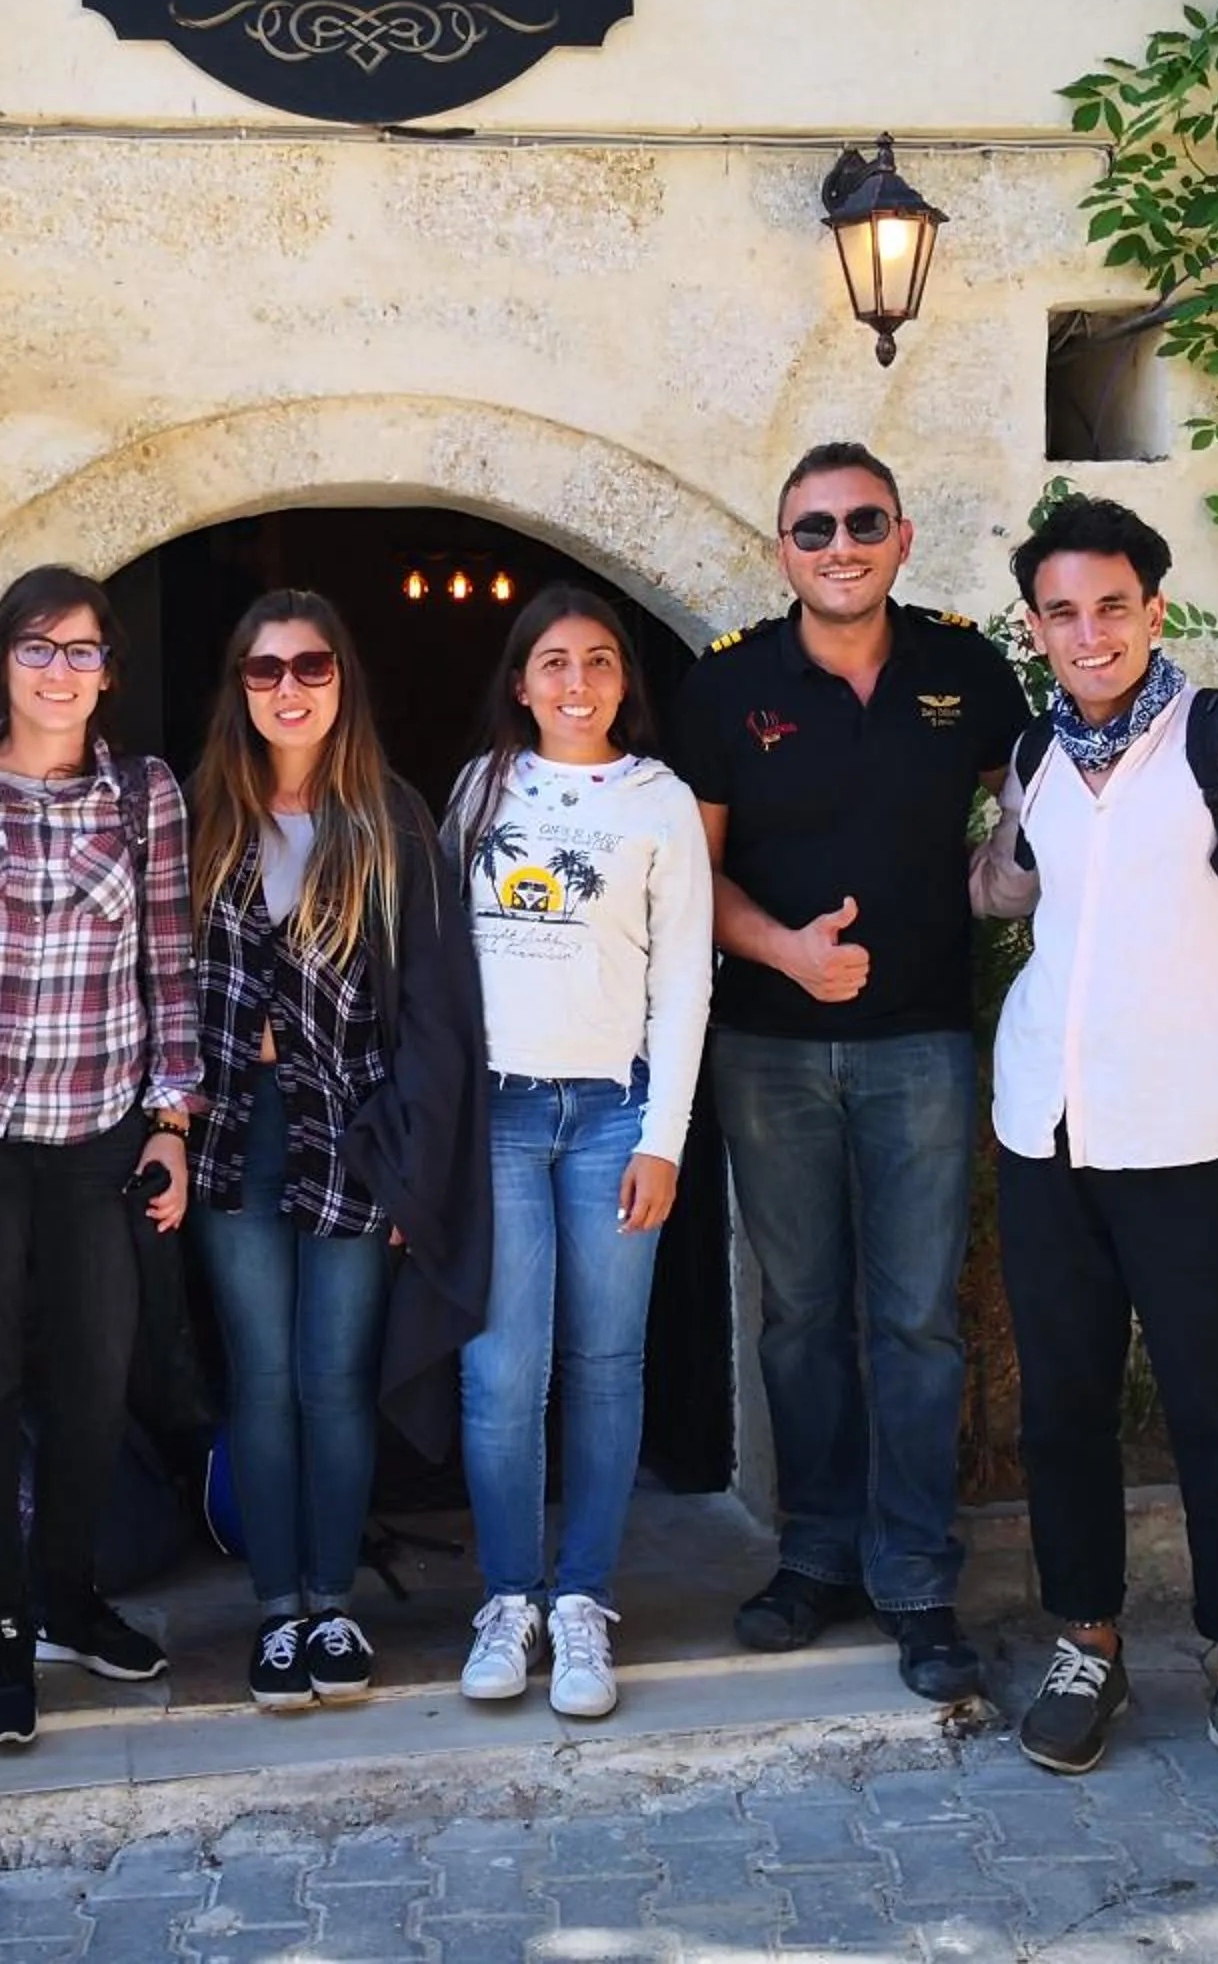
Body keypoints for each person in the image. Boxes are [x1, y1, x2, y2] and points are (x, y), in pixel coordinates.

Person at [972, 494, 1218, 1805]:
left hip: (1199, 1141)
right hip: (1048, 1132)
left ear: (1154, 612)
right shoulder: (1037, 753)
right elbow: (1015, 892)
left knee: (1215, 1415)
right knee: (1063, 1410)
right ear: (1035, 628)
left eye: (1112, 607)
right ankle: (1088, 1646)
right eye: (1063, 612)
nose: (1090, 633)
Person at [667, 441, 1029, 1701]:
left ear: (902, 538)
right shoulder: (727, 686)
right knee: (803, 1315)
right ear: (783, 551)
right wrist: (787, 952)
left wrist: (1010, 880)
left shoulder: (965, 671)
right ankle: (815, 1555)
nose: (840, 547)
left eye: (864, 523)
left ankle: (917, 1578)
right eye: (813, 529)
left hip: (923, 1043)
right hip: (769, 1048)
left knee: (918, 1320)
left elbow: (1044, 803)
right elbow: (692, 875)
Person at [0, 565, 202, 1749]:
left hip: (97, 1135)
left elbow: (169, 965)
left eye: (83, 651)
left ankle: (69, 1598)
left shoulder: (143, 795)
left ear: (108, 671)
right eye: (37, 647)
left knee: (95, 1378)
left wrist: (172, 1121)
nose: (60, 671)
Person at [186, 588, 491, 1711]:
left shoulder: (390, 819)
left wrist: (416, 1160)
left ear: (342, 681)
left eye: (311, 666)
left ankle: (334, 1605)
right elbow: (157, 977)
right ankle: (279, 1612)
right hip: (234, 1132)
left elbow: (438, 1011)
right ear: (240, 687)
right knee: (262, 1378)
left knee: (335, 1378)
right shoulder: (202, 815)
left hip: (357, 1137)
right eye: (265, 669)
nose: (289, 689)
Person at [444, 586, 714, 1718]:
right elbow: (438, 962)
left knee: (606, 1363)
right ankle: (509, 1597)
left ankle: (585, 1602)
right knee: (502, 1369)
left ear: (623, 681)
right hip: (497, 1115)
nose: (576, 682)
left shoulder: (660, 800)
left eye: (599, 660)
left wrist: (666, 1140)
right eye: (553, 662)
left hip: (614, 1113)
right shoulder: (480, 789)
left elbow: (685, 979)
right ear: (520, 682)